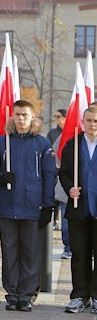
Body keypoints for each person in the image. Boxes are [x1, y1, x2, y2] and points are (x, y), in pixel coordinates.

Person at [0, 99, 56, 312]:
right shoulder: (2, 142)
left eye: (25, 114)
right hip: (8, 206)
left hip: (33, 207)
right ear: (12, 116)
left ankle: (26, 295)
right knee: (9, 252)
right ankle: (12, 293)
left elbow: (49, 175)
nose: (21, 118)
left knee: (30, 253)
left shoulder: (42, 144)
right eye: (17, 114)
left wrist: (48, 204)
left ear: (32, 117)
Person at [59, 106, 97, 314]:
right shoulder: (73, 144)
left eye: (96, 121)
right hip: (78, 208)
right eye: (89, 120)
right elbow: (63, 173)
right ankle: (79, 295)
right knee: (80, 254)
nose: (92, 125)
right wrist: (69, 188)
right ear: (83, 121)